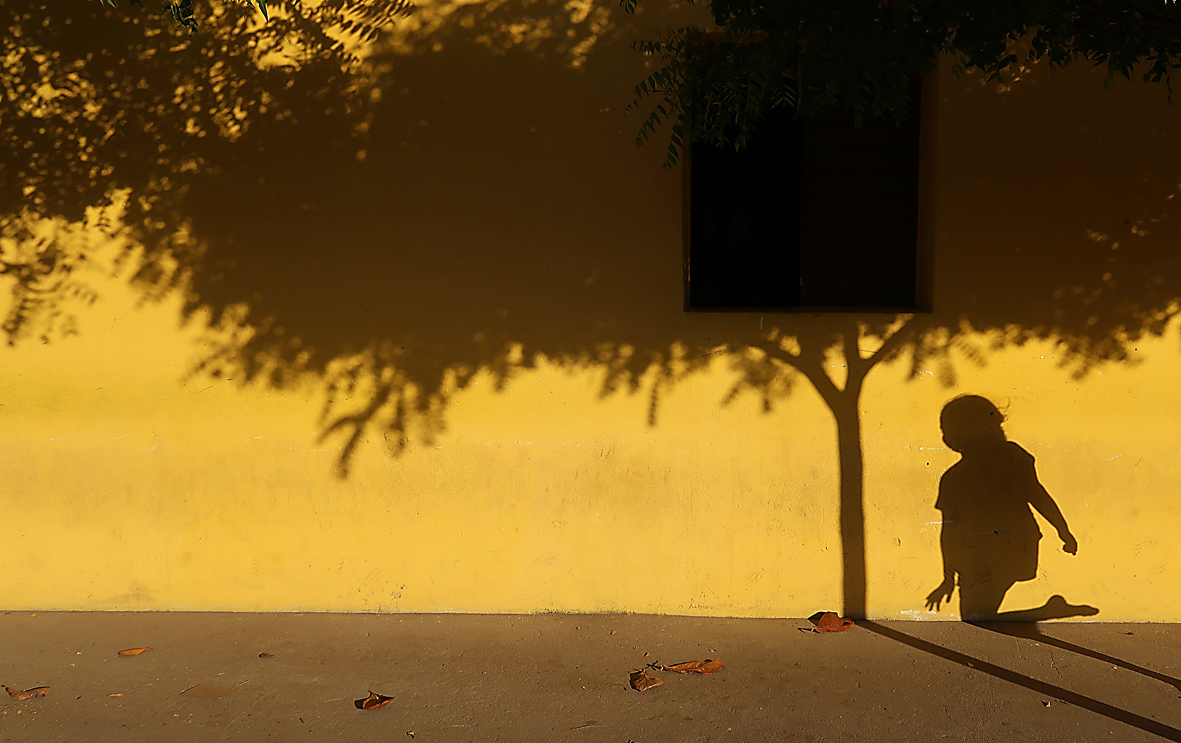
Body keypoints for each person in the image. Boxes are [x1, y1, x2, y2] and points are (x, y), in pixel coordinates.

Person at [925, 395, 1092, 621]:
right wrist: (1062, 531)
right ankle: (1049, 611)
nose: (945, 437)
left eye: (947, 430)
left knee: (976, 619)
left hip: (999, 551)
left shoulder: (960, 476)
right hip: (993, 551)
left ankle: (1049, 611)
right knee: (976, 618)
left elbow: (1037, 495)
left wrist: (948, 578)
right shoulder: (960, 476)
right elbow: (951, 531)